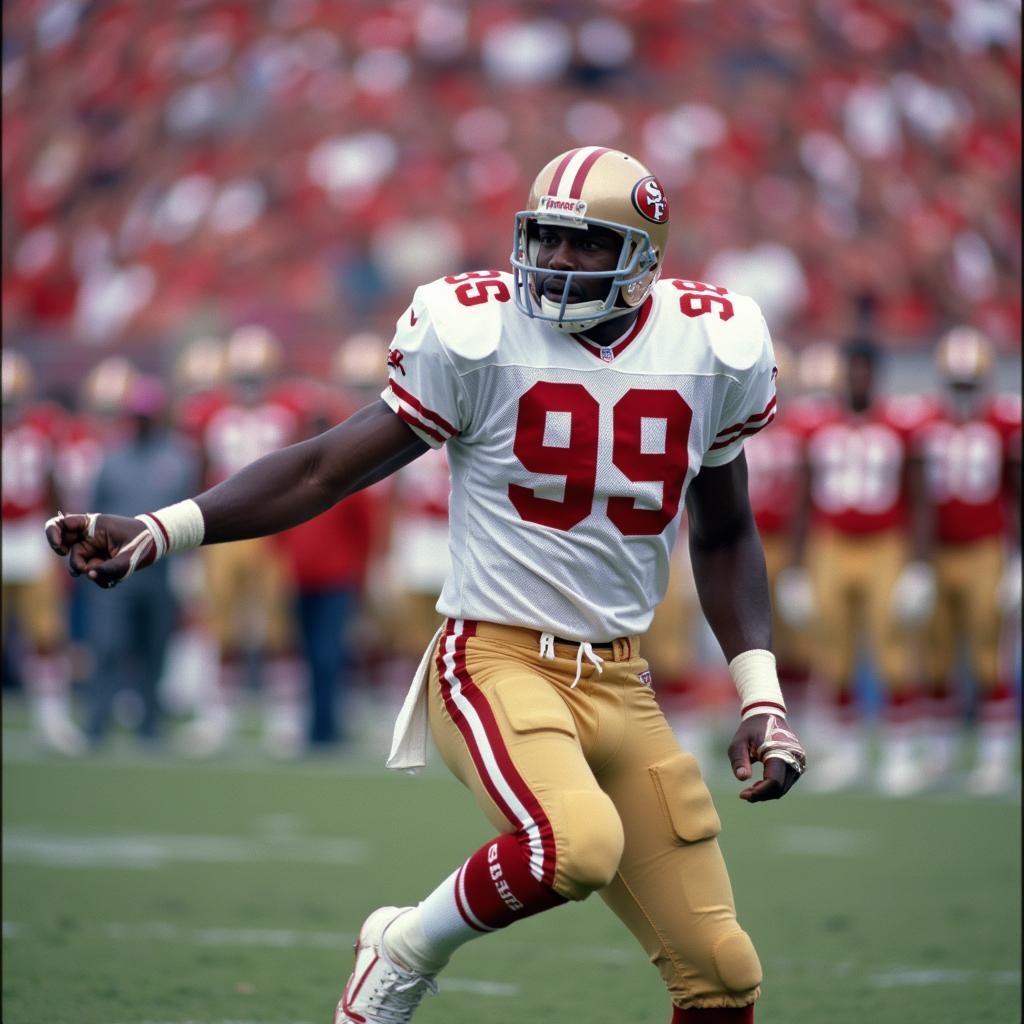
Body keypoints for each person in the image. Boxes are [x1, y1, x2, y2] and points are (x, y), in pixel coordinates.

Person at [46, 147, 806, 1023]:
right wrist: (160, 528)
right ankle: (402, 950)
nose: (555, 264)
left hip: (623, 681)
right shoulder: (476, 332)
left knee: (723, 970)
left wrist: (762, 697)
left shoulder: (712, 346)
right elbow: (323, 469)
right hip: (496, 659)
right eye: (545, 240)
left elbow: (726, 533)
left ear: (643, 257)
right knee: (578, 845)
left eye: (584, 246)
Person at [784, 337, 932, 796]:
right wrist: (794, 567)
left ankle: (899, 754)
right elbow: (803, 499)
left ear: (877, 375)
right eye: (853, 369)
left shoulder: (899, 426)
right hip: (831, 544)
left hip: (885, 543)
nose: (858, 377)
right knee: (835, 648)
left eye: (866, 370)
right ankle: (846, 753)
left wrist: (919, 564)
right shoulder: (818, 426)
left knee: (890, 647)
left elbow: (920, 496)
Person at [914, 327, 1021, 794]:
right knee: (937, 653)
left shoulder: (1004, 421)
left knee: (988, 654)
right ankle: (941, 754)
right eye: (956, 384)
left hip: (985, 550)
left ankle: (997, 757)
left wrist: (1017, 559)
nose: (962, 394)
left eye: (969, 383)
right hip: (938, 552)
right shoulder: (923, 421)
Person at [80, 373, 199, 746]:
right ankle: (97, 721)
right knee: (109, 644)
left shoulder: (179, 458)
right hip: (116, 569)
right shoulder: (112, 458)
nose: (142, 421)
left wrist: (188, 566)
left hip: (159, 570)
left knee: (155, 648)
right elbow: (95, 512)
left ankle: (150, 725)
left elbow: (192, 512)